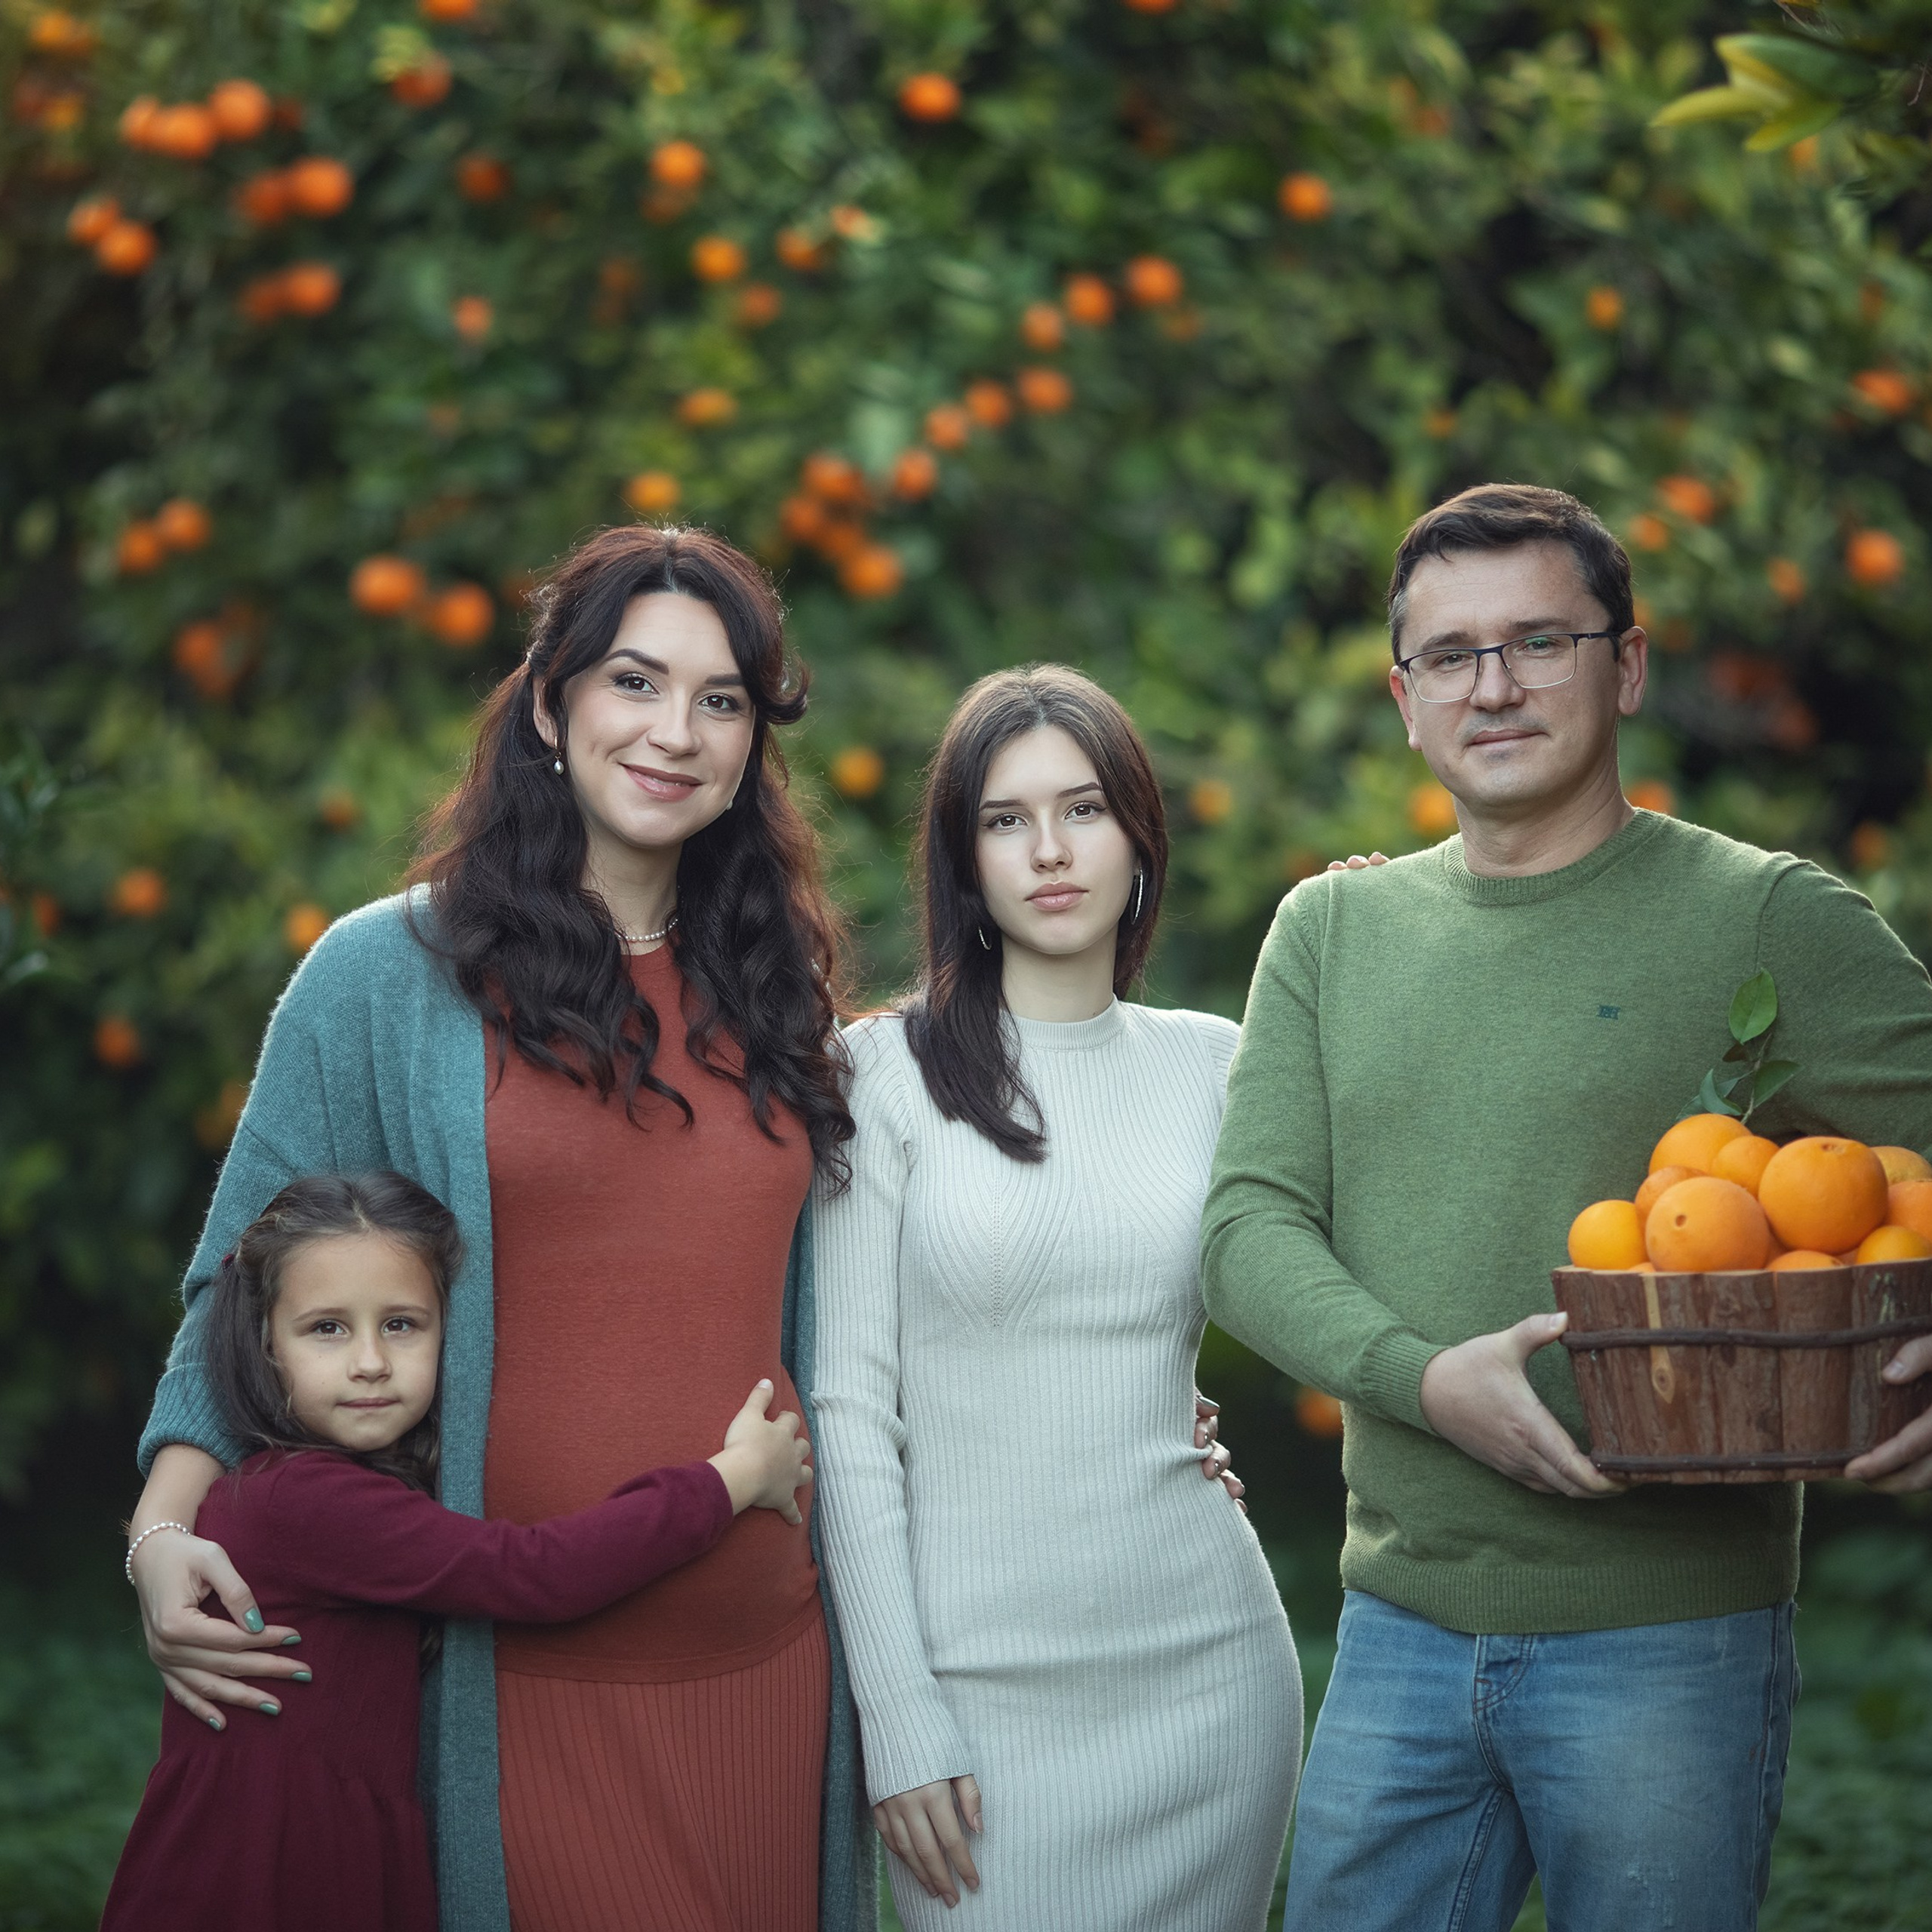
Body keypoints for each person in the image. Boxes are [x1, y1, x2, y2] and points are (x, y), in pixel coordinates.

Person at [122, 524, 875, 1932]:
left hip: (766, 1672)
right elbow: (235, 1285)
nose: (675, 733)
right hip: (513, 1685)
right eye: (634, 683)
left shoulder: (787, 1007)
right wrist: (162, 1530)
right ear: (547, 706)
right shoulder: (383, 976)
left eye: (720, 701)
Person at [1202, 482, 1932, 1932]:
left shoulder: (1765, 918)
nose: (1496, 686)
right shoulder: (1332, 931)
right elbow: (1245, 1233)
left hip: (1672, 1638)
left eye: (1540, 640)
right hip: (1397, 1625)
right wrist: (1425, 1381)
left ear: (1629, 666)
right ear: (1405, 700)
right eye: (1452, 655)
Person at [814, 665, 1300, 1930]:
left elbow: (1328, 1283)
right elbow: (849, 1415)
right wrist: (897, 1713)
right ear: (962, 861)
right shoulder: (881, 1074)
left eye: (1083, 809)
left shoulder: (1220, 1066)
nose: (1048, 851)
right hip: (975, 1700)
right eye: (1005, 819)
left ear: (1139, 838)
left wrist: (1365, 932)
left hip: (1208, 1679)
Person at [104, 1171, 812, 1932]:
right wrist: (729, 1480)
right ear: (266, 1343)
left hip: (303, 1842)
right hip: (263, 1868)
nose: (370, 1361)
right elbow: (536, 1572)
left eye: (401, 1324)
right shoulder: (305, 1503)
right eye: (327, 1328)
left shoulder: (302, 1488)